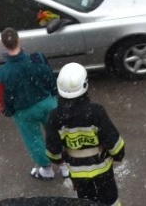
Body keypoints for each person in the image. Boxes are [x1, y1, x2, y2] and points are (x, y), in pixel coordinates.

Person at [46, 63, 125, 206]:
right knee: (110, 200)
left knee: (86, 202)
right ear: (85, 85)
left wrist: (59, 159)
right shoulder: (96, 112)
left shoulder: (55, 116)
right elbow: (113, 142)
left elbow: (53, 150)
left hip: (77, 173)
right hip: (103, 171)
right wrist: (118, 155)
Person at [0, 27, 66, 182]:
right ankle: (64, 166)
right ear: (19, 39)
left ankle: (46, 170)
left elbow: (4, 97)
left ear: (3, 44)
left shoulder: (3, 73)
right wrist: (55, 95)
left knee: (34, 139)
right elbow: (50, 78)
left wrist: (8, 110)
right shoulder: (37, 58)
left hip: (24, 112)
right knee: (56, 133)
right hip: (48, 104)